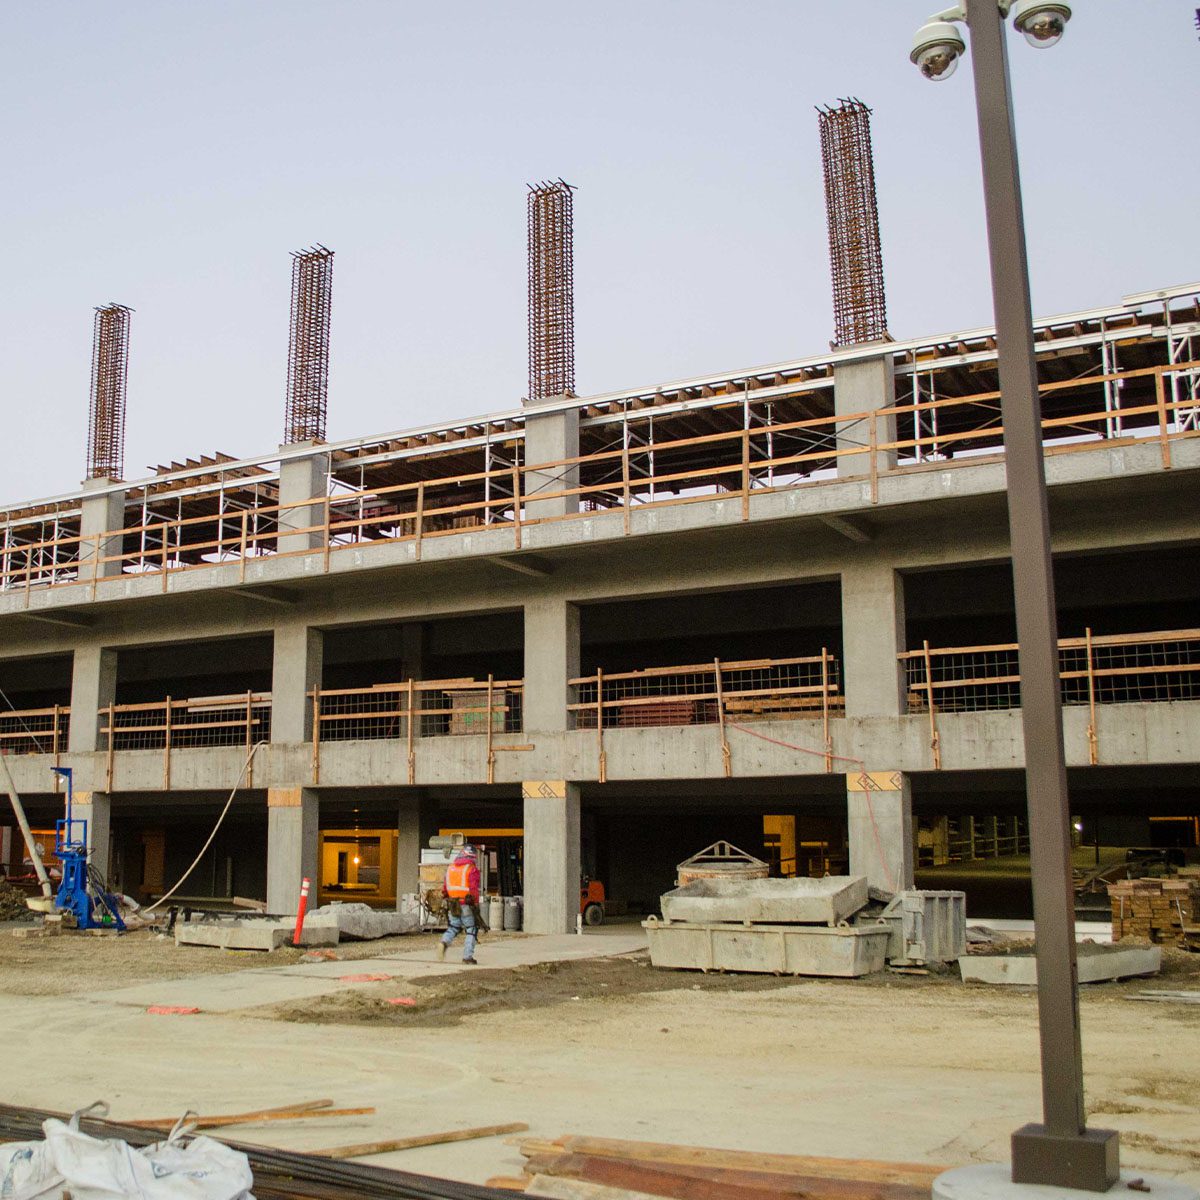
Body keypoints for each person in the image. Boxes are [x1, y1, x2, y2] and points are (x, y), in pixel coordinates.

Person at [439, 845, 481, 964]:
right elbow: (473, 889)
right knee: (471, 929)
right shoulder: (471, 868)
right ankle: (467, 957)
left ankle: (444, 942)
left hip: (453, 903)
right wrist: (476, 903)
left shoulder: (450, 868)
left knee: (454, 927)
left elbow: (445, 888)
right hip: (466, 904)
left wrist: (447, 896)